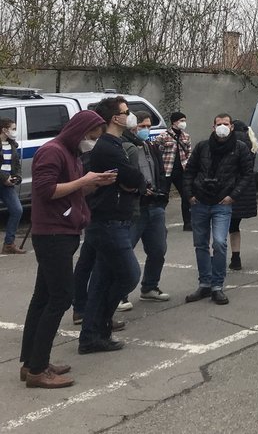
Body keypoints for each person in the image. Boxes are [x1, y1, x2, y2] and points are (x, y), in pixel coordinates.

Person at [19, 111, 115, 388]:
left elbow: (69, 191)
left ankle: (31, 362)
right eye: (91, 136)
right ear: (79, 131)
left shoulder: (70, 153)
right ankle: (37, 370)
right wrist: (84, 181)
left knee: (43, 297)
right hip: (53, 235)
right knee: (61, 297)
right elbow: (46, 190)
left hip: (62, 232)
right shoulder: (53, 152)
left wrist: (92, 183)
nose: (92, 143)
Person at [80, 97, 146, 355]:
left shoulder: (117, 144)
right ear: (114, 118)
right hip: (108, 222)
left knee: (101, 281)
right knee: (129, 275)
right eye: (125, 112)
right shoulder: (108, 147)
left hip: (112, 219)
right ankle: (101, 322)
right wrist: (132, 183)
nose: (129, 116)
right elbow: (134, 177)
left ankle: (92, 336)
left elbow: (134, 180)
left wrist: (132, 183)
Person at [183, 113, 254, 306]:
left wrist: (233, 195)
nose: (222, 127)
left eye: (226, 124)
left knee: (220, 243)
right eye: (219, 124)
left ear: (232, 127)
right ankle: (204, 283)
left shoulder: (240, 148)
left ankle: (217, 286)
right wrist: (190, 195)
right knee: (200, 244)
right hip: (200, 202)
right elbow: (189, 171)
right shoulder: (202, 146)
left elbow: (247, 174)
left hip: (222, 203)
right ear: (213, 127)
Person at [127, 112, 171, 303]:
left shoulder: (150, 147)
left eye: (148, 126)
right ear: (132, 126)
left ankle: (150, 286)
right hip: (135, 208)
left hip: (155, 206)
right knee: (125, 251)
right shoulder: (125, 148)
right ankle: (120, 295)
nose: (145, 130)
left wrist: (161, 194)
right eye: (141, 126)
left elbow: (160, 172)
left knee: (158, 249)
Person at [227, 119, 258, 271]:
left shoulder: (231, 142)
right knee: (234, 226)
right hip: (246, 190)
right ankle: (236, 257)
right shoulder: (251, 142)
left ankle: (220, 257)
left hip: (229, 189)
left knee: (223, 225)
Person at [155, 112, 192, 231]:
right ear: (174, 122)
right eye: (181, 120)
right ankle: (158, 224)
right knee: (163, 197)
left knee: (186, 196)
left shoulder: (186, 136)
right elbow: (156, 151)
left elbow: (189, 152)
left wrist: (187, 165)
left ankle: (188, 223)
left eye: (184, 120)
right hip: (166, 170)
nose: (183, 123)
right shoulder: (163, 136)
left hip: (181, 171)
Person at [0, 117, 26, 254]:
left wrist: (17, 177)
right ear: (4, 129)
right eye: (13, 128)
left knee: (17, 210)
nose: (15, 131)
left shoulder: (12, 145)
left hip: (7, 183)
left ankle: (9, 244)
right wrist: (4, 178)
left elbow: (16, 165)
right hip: (3, 180)